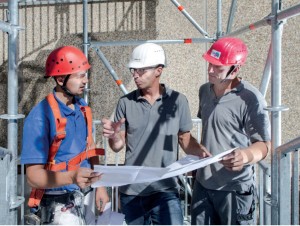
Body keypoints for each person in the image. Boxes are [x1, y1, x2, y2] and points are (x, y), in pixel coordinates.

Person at [101, 42, 210, 225]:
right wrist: (114, 136)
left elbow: (184, 138)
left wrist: (200, 152)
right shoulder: (125, 102)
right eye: (133, 70)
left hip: (166, 189)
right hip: (132, 191)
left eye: (141, 70)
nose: (135, 75)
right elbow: (118, 145)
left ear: (158, 70)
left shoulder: (178, 101)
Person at [21, 46, 109, 225]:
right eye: (79, 76)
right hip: (58, 202)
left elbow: (90, 149)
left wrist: (100, 186)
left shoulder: (82, 107)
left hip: (85, 195)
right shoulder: (40, 117)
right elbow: (33, 177)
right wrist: (71, 177)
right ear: (61, 79)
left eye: (86, 74)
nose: (86, 81)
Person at [191, 37, 271, 225]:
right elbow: (211, 130)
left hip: (234, 189)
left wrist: (245, 155)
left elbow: (265, 145)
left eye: (218, 67)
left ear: (235, 69)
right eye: (210, 63)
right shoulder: (204, 91)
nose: (210, 70)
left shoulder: (251, 99)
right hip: (203, 186)